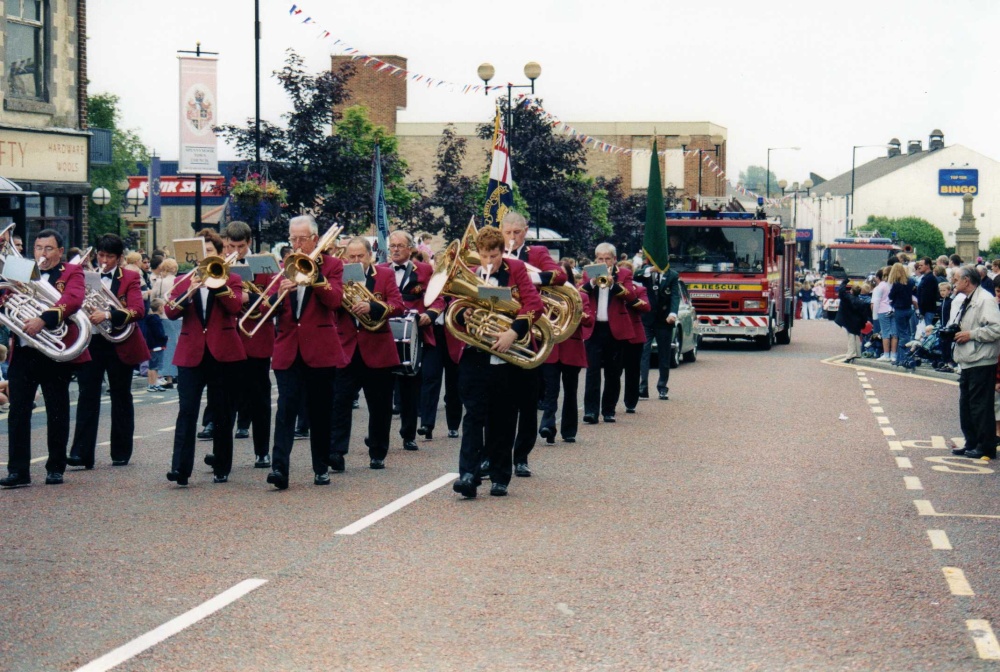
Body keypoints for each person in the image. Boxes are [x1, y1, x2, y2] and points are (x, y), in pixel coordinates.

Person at [451, 225, 544, 499]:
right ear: (478, 254)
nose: (489, 261)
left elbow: (534, 305)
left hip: (507, 356)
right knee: (473, 417)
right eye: (484, 255)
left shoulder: (515, 271)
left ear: (502, 252)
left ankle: (501, 476)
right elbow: (454, 309)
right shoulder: (471, 274)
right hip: (476, 355)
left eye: (494, 255)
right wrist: (465, 313)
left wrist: (512, 332)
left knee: (503, 418)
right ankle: (467, 474)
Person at [2, 229, 90, 488]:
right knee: (17, 412)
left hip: (54, 351)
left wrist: (43, 320)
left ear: (60, 252)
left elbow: (73, 300)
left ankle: (55, 467)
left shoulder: (71, 271)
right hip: (24, 351)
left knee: (57, 410)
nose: (43, 254)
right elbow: (3, 295)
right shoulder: (22, 268)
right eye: (39, 248)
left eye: (49, 249)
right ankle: (18, 471)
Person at [267, 215, 345, 490]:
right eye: (292, 238)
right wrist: (278, 296)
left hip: (320, 348)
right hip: (288, 347)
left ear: (315, 239)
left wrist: (314, 277)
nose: (297, 244)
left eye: (301, 239)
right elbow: (270, 310)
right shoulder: (286, 265)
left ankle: (320, 466)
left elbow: (335, 300)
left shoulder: (333, 265)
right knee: (286, 408)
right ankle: (279, 469)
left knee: (320, 410)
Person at [164, 228, 246, 486]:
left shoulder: (231, 278)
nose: (204, 257)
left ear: (219, 254)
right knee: (187, 411)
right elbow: (170, 311)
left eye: (209, 252)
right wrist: (188, 290)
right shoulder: (183, 278)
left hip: (223, 353)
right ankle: (180, 469)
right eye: (201, 252)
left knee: (222, 412)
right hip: (191, 354)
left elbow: (234, 307)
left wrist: (217, 284)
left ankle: (221, 466)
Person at [67, 233, 151, 470]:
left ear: (119, 257)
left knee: (121, 394)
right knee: (87, 395)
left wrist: (107, 314)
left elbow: (138, 310)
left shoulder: (131, 277)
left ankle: (121, 452)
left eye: (110, 257)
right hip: (92, 340)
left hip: (119, 341)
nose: (104, 261)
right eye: (101, 255)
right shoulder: (85, 276)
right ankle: (81, 453)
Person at [499, 211, 567, 477]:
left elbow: (559, 276)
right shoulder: (493, 252)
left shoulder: (535, 253)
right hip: (497, 331)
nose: (513, 238)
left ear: (525, 231)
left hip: (529, 333)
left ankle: (521, 456)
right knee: (497, 399)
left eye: (517, 232)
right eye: (508, 233)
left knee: (527, 400)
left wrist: (533, 277)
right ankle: (494, 453)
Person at [330, 236, 404, 471]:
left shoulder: (384, 275)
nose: (356, 260)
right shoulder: (339, 276)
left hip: (378, 348)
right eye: (351, 257)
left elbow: (397, 305)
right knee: (339, 403)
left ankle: (378, 452)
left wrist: (372, 307)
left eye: (360, 256)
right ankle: (336, 452)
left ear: (369, 255)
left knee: (380, 406)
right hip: (347, 348)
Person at [213, 221, 274, 469]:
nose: (234, 251)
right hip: (227, 338)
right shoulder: (218, 265)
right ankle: (222, 456)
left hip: (254, 336)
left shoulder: (263, 264)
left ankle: (262, 451)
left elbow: (274, 296)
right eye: (230, 246)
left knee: (259, 397)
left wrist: (250, 297)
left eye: (239, 246)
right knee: (225, 400)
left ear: (248, 243)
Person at [379, 230, 443, 447]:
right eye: (392, 245)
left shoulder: (424, 270)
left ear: (410, 249)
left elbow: (438, 298)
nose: (395, 249)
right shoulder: (381, 270)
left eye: (399, 245)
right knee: (384, 387)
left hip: (414, 333)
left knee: (410, 384)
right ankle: (379, 435)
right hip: (384, 332)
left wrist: (430, 314)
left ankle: (409, 434)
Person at [581, 242, 639, 423]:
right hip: (594, 328)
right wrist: (592, 282)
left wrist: (615, 285)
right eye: (600, 258)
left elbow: (631, 297)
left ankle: (608, 410)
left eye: (607, 259)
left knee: (613, 373)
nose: (604, 262)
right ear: (595, 259)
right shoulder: (589, 272)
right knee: (592, 371)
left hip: (615, 329)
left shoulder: (624, 274)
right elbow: (580, 292)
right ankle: (591, 411)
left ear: (614, 259)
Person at [948, 266, 1000, 460]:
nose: (953, 282)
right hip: (968, 359)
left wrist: (971, 334)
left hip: (981, 359)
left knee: (980, 406)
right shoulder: (970, 299)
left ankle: (985, 446)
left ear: (966, 281)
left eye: (956, 279)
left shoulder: (985, 300)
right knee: (967, 406)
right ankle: (971, 442)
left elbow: (996, 329)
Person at [539, 264, 592, 443]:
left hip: (571, 348)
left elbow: (589, 320)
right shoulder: (544, 295)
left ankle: (569, 430)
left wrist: (583, 316)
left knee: (570, 391)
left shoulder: (580, 296)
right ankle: (548, 426)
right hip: (551, 348)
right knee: (550, 390)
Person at [639, 261, 681, 400]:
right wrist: (650, 269)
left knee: (664, 354)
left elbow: (675, 296)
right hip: (646, 319)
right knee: (644, 353)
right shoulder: (645, 272)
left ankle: (662, 387)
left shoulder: (672, 275)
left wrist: (673, 313)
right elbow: (634, 275)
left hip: (664, 320)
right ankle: (642, 387)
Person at [835, 279, 867, 363]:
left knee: (851, 338)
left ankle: (850, 355)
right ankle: (857, 353)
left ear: (851, 291)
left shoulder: (847, 298)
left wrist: (844, 282)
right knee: (856, 336)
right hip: (857, 322)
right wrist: (863, 323)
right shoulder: (861, 302)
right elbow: (864, 315)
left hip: (848, 320)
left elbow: (841, 292)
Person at [887, 263, 916, 352]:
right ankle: (907, 354)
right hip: (909, 309)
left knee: (902, 334)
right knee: (907, 331)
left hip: (899, 309)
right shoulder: (910, 281)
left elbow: (891, 296)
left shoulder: (896, 284)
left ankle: (903, 356)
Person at [871, 268, 896, 362]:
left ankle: (886, 355)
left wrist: (875, 317)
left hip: (882, 310)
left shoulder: (879, 287)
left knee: (885, 334)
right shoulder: (894, 285)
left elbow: (876, 302)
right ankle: (894, 355)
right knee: (894, 333)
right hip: (893, 310)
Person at [144, 299, 168, 392]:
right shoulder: (155, 320)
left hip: (153, 345)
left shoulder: (151, 319)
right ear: (160, 307)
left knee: (154, 366)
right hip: (156, 345)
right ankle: (152, 384)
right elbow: (159, 333)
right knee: (154, 366)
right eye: (163, 306)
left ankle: (154, 383)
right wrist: (165, 337)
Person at [915, 257, 940, 329]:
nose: (919, 267)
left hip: (927, 311)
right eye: (919, 265)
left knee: (927, 331)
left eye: (921, 265)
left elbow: (926, 297)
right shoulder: (926, 278)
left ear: (928, 265)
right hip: (926, 310)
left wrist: (922, 311)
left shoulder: (930, 279)